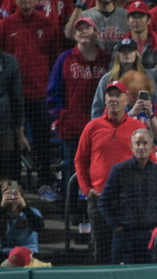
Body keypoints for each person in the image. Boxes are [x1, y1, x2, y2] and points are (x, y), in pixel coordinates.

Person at [75, 80, 149, 264]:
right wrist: (86, 189)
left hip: (129, 201)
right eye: (110, 95)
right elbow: (80, 160)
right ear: (105, 99)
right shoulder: (92, 127)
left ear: (127, 100)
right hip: (99, 199)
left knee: (131, 252)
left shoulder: (138, 128)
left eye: (118, 95)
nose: (113, 99)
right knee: (101, 250)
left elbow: (149, 162)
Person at [0, 0, 58, 198]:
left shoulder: (47, 24)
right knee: (12, 145)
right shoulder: (4, 26)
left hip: (39, 95)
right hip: (13, 97)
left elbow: (54, 59)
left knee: (43, 142)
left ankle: (45, 184)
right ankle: (14, 189)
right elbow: (0, 60)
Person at [48, 16, 111, 189]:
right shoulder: (65, 58)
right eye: (79, 29)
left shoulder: (107, 59)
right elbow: (53, 92)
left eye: (87, 28)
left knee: (101, 168)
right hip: (72, 128)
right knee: (73, 169)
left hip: (101, 127)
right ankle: (72, 212)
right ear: (74, 35)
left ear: (96, 33)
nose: (83, 31)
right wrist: (61, 117)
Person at [99, 129, 157, 264]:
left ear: (151, 147)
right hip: (124, 235)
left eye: (145, 143)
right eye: (137, 144)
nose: (141, 147)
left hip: (150, 235)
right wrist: (116, 225)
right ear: (132, 147)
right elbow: (103, 202)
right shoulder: (119, 170)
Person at [0, 16, 28, 186]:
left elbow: (17, 100)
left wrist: (20, 134)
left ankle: (11, 212)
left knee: (9, 184)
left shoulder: (9, 62)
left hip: (4, 134)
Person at [0, 179, 44, 258]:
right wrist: (1, 208)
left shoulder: (32, 212)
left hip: (28, 254)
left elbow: (40, 228)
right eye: (5, 192)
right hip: (6, 255)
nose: (10, 194)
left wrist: (24, 207)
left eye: (12, 191)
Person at [123, 1, 157, 90]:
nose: (137, 21)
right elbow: (114, 72)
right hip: (127, 95)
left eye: (141, 17)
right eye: (133, 17)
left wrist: (130, 72)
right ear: (128, 21)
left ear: (149, 20)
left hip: (153, 95)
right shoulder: (121, 46)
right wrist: (150, 71)